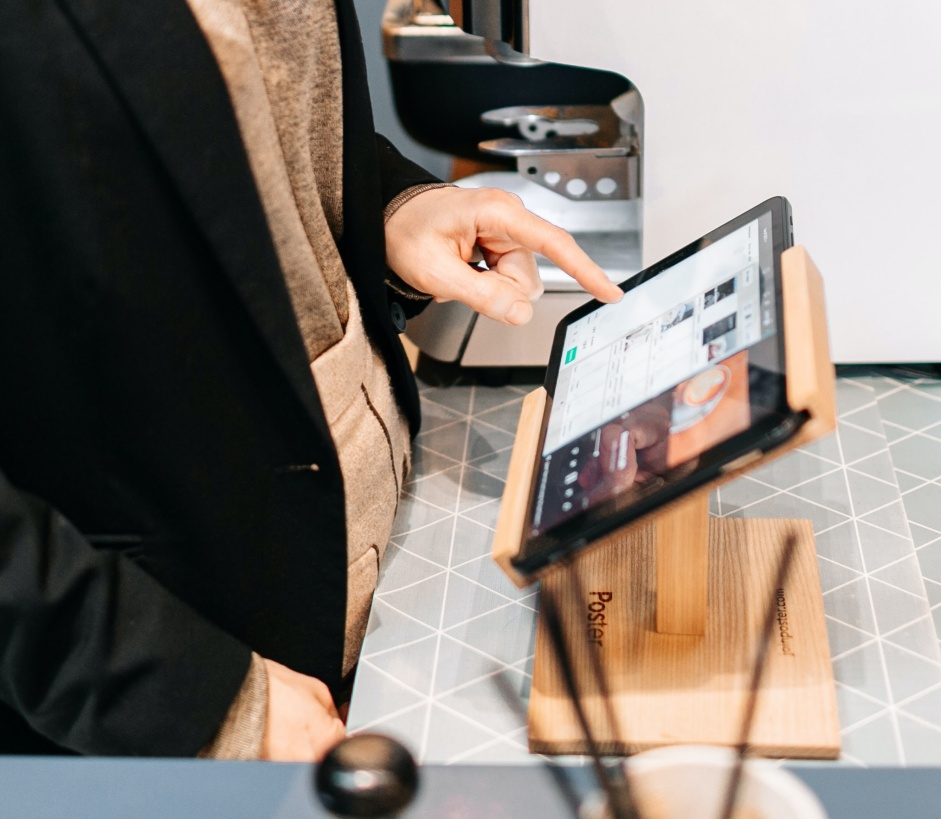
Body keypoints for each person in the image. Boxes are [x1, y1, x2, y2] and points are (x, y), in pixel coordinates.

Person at [0, 0, 621, 759]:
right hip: (181, 660)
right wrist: (191, 696)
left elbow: (252, 116)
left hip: (380, 558)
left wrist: (394, 208)